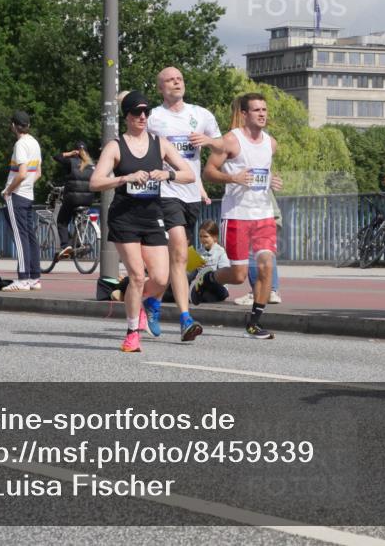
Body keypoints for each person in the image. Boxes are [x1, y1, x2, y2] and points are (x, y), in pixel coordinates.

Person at [89, 91, 194, 352]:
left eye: (146, 112)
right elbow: (95, 182)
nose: (142, 117)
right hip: (124, 217)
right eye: (137, 112)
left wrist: (166, 174)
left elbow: (189, 174)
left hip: (152, 216)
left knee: (161, 278)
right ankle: (132, 333)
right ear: (127, 116)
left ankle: (143, 302)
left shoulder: (160, 143)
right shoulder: (116, 146)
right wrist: (124, 178)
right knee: (137, 276)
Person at [196, 93, 283, 339]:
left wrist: (271, 181)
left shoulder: (271, 143)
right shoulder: (230, 141)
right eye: (256, 110)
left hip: (263, 214)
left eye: (264, 109)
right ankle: (207, 277)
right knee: (238, 275)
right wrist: (232, 177)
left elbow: (263, 172)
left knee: (266, 265)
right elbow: (209, 172)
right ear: (244, 114)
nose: (262, 114)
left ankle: (254, 322)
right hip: (236, 215)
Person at [145, 66, 222, 340]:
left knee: (172, 264)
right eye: (169, 80)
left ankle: (151, 300)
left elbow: (223, 146)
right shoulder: (154, 117)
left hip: (191, 193)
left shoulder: (200, 115)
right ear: (160, 88)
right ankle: (185, 318)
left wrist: (209, 141)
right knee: (178, 252)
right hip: (165, 192)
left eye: (179, 79)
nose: (176, 83)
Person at [1, 111, 43, 291]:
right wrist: (27, 186)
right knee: (30, 236)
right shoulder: (34, 143)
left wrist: (9, 191)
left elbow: (22, 172)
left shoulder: (20, 144)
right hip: (28, 195)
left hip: (16, 196)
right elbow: (38, 172)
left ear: (13, 125)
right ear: (28, 125)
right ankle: (34, 277)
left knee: (20, 238)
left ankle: (23, 278)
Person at [52, 141, 96, 259]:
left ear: (76, 151)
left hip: (72, 199)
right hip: (88, 200)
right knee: (76, 220)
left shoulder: (71, 162)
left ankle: (66, 245)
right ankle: (75, 243)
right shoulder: (92, 165)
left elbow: (56, 157)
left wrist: (69, 153)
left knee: (62, 221)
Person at [238, 190, 283, 305]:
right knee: (266, 253)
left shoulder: (246, 176)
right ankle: (272, 291)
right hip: (271, 213)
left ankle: (257, 292)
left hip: (260, 216)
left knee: (252, 252)